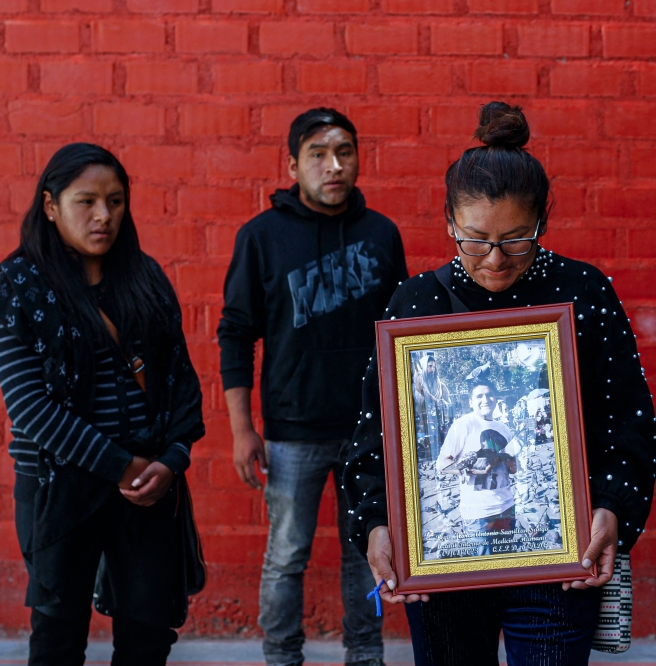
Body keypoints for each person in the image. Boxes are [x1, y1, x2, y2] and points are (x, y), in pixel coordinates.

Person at [343, 102, 656, 665]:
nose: (494, 259)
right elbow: (374, 436)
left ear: (542, 221)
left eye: (517, 239)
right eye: (474, 239)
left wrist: (612, 508)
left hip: (557, 570)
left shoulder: (582, 292)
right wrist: (375, 524)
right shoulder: (417, 303)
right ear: (448, 223)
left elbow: (629, 420)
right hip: (443, 568)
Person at [0, 143, 205, 665]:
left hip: (149, 487)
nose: (104, 215)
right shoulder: (19, 287)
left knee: (147, 637)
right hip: (58, 487)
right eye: (86, 201)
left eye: (116, 201)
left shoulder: (145, 278)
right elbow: (31, 409)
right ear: (51, 205)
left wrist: (171, 461)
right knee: (58, 639)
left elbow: (181, 386)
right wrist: (121, 465)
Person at [217, 107, 408, 666]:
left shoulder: (380, 234)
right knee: (286, 555)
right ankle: (281, 658)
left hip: (366, 430)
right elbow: (235, 335)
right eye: (318, 155)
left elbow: (398, 333)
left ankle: (365, 656)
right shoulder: (260, 237)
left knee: (365, 553)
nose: (334, 166)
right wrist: (241, 429)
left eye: (345, 152)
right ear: (293, 165)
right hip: (292, 429)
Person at [436, 379, 520, 556]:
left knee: (509, 564)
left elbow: (513, 470)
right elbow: (441, 464)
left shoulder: (504, 428)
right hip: (478, 513)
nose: (486, 399)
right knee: (483, 568)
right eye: (479, 396)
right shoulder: (463, 424)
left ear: (496, 399)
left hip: (506, 507)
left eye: (490, 395)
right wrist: (467, 467)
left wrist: (506, 457)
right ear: (471, 402)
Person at [416, 354, 453, 460]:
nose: (432, 369)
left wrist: (440, 403)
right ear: (423, 367)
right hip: (423, 425)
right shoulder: (417, 388)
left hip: (439, 423)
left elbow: (447, 404)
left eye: (434, 366)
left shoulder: (441, 386)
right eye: (429, 366)